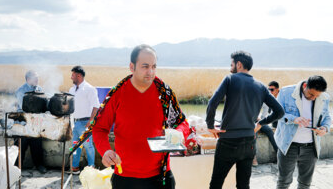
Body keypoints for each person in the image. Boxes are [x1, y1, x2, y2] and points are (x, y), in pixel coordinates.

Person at [92, 44, 187, 189]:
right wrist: (105, 150)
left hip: (160, 177)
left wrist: (178, 133)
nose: (150, 72)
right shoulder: (116, 94)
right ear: (132, 67)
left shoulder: (165, 93)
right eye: (145, 66)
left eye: (154, 66)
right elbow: (99, 128)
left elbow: (181, 122)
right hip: (125, 177)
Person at [206, 51, 284, 189]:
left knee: (216, 183)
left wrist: (210, 125)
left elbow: (212, 103)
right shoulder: (261, 86)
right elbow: (279, 111)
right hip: (249, 143)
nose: (230, 68)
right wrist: (260, 123)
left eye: (231, 64)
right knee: (243, 185)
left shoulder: (230, 79)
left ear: (239, 64)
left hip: (228, 142)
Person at [274, 75, 331, 189]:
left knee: (305, 184)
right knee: (283, 182)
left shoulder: (324, 97)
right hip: (288, 146)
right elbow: (276, 114)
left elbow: (326, 117)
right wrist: (293, 119)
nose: (313, 98)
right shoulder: (286, 92)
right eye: (311, 94)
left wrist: (324, 128)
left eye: (316, 96)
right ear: (305, 85)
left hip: (311, 148)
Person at [69, 66, 100, 174]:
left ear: (79, 76)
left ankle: (91, 168)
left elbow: (96, 106)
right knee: (75, 145)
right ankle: (75, 168)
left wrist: (91, 121)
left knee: (88, 145)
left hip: (85, 122)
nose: (71, 77)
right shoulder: (71, 90)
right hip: (75, 122)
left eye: (73, 75)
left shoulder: (89, 89)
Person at [15, 70, 47, 174]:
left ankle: (39, 165)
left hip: (36, 121)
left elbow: (43, 104)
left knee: (37, 144)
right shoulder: (21, 91)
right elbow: (24, 107)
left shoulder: (39, 89)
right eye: (35, 78)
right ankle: (17, 167)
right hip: (24, 121)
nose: (38, 80)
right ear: (28, 79)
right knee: (21, 145)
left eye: (38, 77)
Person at [253, 81, 280, 166]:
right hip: (255, 122)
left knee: (270, 132)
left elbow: (266, 114)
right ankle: (253, 158)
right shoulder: (258, 99)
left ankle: (279, 156)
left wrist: (261, 121)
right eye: (269, 90)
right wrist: (257, 119)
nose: (270, 92)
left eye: (271, 90)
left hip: (264, 122)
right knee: (254, 133)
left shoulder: (276, 99)